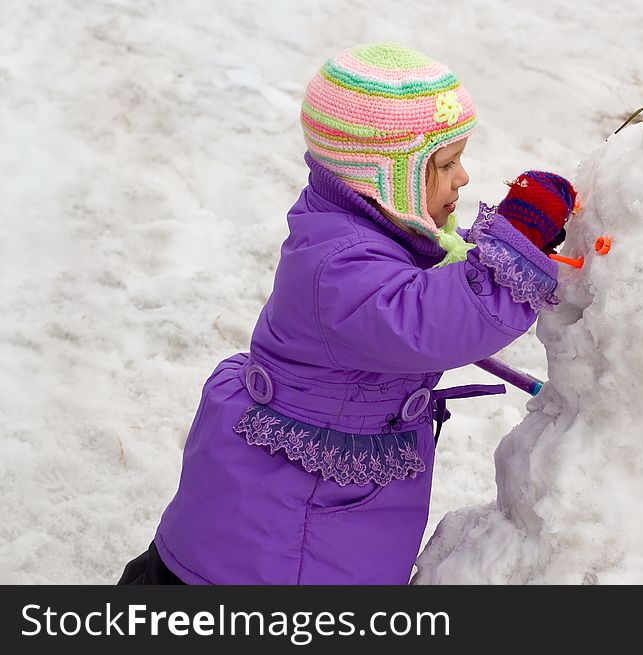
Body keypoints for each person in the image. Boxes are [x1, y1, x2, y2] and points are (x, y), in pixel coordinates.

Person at [118, 42, 575, 585]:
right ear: (384, 176)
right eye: (447, 163)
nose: (464, 178)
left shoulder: (358, 229)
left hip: (292, 511)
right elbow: (434, 321)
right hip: (282, 531)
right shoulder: (338, 262)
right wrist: (517, 242)